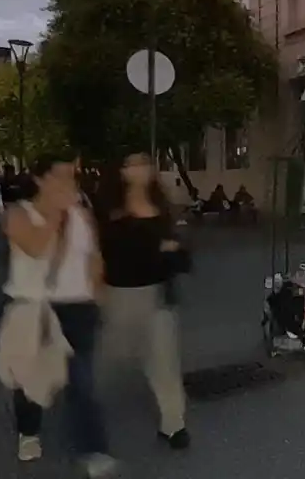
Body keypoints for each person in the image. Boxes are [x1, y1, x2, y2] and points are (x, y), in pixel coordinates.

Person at [0, 153, 116, 476]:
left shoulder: (83, 215)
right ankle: (28, 431)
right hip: (32, 307)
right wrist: (57, 213)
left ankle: (93, 448)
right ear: (39, 179)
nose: (69, 183)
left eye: (71, 176)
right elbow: (35, 247)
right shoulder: (17, 213)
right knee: (29, 379)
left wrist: (97, 291)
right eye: (60, 176)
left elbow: (94, 255)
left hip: (78, 307)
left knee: (82, 382)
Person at [96, 152, 190, 450]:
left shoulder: (163, 207)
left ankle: (174, 425)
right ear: (122, 171)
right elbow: (103, 251)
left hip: (157, 293)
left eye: (145, 164)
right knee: (109, 358)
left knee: (164, 361)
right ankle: (83, 407)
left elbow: (178, 251)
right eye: (133, 164)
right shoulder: (110, 209)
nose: (141, 169)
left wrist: (172, 249)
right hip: (119, 294)